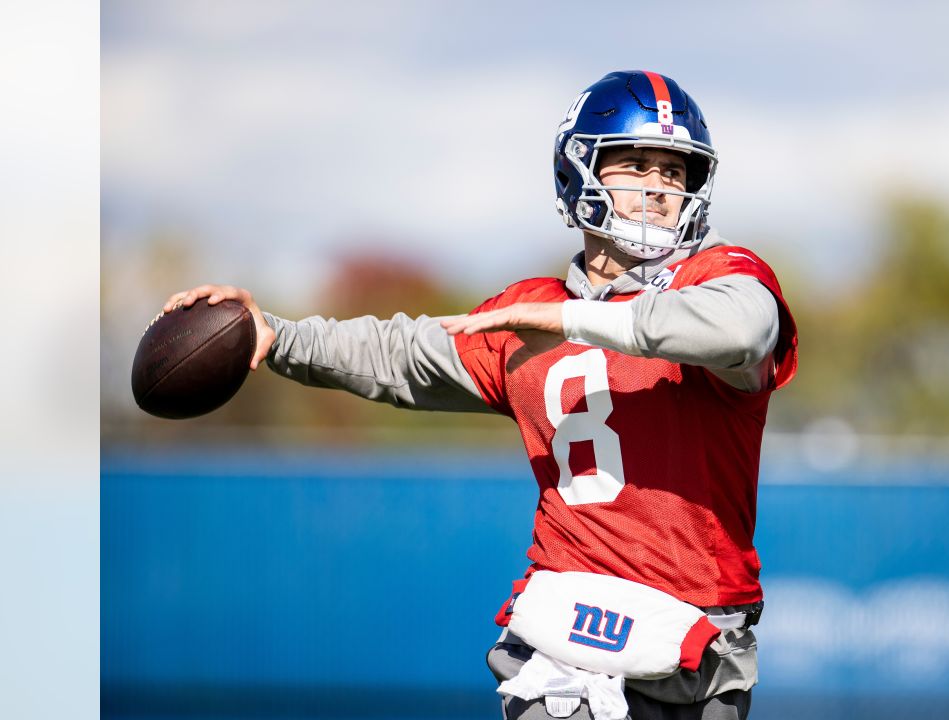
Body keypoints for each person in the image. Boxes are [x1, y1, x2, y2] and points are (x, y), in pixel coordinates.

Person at [161, 70, 798, 720]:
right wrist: (279, 337)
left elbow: (742, 328)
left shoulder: (719, 279)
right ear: (581, 172)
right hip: (565, 631)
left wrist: (577, 321)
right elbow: (403, 354)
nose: (660, 189)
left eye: (676, 172)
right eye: (636, 164)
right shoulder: (528, 314)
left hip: (696, 632)